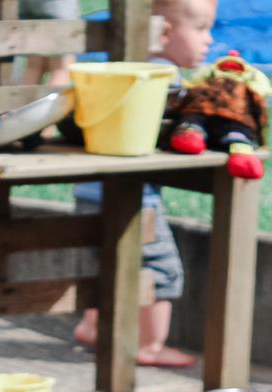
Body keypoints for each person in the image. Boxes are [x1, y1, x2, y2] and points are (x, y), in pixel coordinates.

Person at [73, 0, 218, 366]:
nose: (209, 40)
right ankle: (150, 345)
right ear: (163, 32)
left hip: (88, 190)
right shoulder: (163, 77)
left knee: (105, 262)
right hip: (137, 197)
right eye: (201, 28)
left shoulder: (114, 68)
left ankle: (92, 325)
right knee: (161, 271)